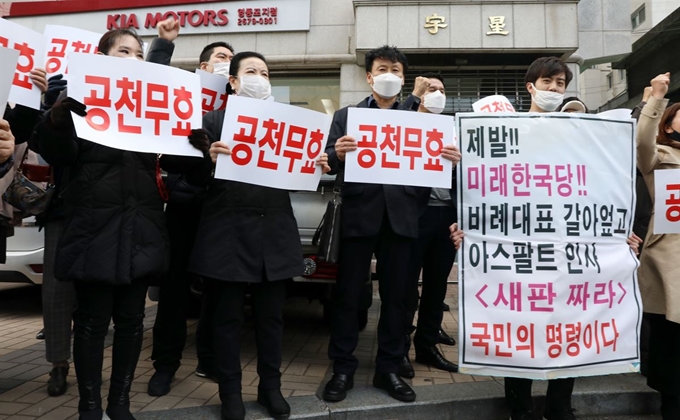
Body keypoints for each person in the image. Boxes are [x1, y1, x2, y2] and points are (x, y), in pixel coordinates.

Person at [448, 57, 641, 420]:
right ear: (530, 86)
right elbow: (482, 192)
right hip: (517, 251)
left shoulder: (584, 135)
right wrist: (468, 229)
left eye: (560, 83)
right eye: (548, 82)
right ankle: (519, 407)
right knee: (517, 320)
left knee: (568, 323)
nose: (554, 89)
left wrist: (618, 233)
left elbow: (604, 189)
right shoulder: (502, 132)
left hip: (569, 251)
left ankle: (559, 405)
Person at [169, 51, 330, 420]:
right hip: (225, 230)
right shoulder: (209, 121)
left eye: (266, 72)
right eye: (251, 71)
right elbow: (174, 165)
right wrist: (204, 157)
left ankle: (270, 388)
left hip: (274, 229)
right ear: (234, 82)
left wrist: (320, 163)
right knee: (226, 320)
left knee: (272, 318)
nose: (260, 77)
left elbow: (306, 170)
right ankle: (230, 394)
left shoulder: (292, 123)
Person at [32, 20, 179, 420]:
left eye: (137, 53)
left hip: (142, 226)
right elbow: (55, 154)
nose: (132, 59)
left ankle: (120, 403)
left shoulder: (150, 107)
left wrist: (163, 46)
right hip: (93, 230)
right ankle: (90, 406)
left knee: (132, 322)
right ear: (101, 59)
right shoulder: (76, 101)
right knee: (93, 324)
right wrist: (58, 119)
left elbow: (176, 138)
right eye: (122, 52)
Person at [322, 45, 459, 404]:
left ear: (403, 78)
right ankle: (342, 368)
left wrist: (453, 160)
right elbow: (327, 164)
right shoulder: (346, 116)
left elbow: (436, 167)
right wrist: (335, 154)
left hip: (403, 218)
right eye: (382, 69)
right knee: (349, 296)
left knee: (398, 298)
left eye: (396, 70)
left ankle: (389, 369)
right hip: (359, 215)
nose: (389, 75)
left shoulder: (420, 117)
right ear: (368, 76)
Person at [147, 39, 235, 397]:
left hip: (222, 209)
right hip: (185, 205)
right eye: (220, 59)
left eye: (232, 60)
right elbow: (167, 156)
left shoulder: (243, 107)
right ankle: (165, 364)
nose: (226, 65)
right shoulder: (183, 102)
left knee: (217, 290)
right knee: (175, 291)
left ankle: (208, 358)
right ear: (202, 68)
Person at [401, 72, 459, 379]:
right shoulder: (402, 122)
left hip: (446, 216)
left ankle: (427, 345)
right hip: (413, 216)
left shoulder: (455, 130)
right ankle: (398, 350)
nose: (436, 94)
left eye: (441, 90)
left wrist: (459, 163)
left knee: (437, 287)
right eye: (430, 89)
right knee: (405, 288)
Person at [634, 72, 680, 420]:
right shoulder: (658, 154)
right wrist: (657, 98)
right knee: (670, 337)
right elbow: (642, 142)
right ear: (669, 121)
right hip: (669, 260)